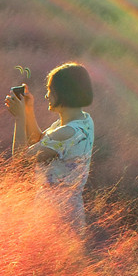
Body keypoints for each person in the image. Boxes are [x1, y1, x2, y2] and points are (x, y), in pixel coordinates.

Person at [6, 62, 94, 230]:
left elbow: (19, 159)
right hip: (70, 208)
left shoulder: (66, 133)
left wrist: (20, 118)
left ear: (64, 93)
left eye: (50, 91)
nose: (47, 96)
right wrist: (28, 110)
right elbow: (40, 141)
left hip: (56, 213)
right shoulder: (83, 121)